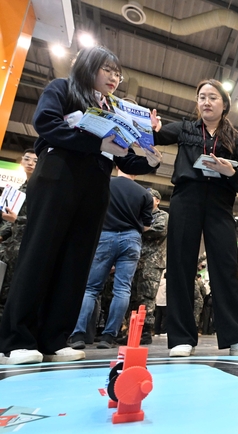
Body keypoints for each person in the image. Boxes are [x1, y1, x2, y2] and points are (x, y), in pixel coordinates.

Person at [0, 46, 161, 365]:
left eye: (118, 73)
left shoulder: (116, 110)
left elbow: (123, 155)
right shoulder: (63, 89)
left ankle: (54, 337)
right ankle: (17, 337)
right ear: (89, 67)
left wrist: (150, 158)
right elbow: (46, 123)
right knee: (41, 252)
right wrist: (95, 141)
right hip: (59, 173)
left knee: (76, 261)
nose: (114, 78)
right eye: (108, 70)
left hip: (96, 184)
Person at [151, 78, 238, 358]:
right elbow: (156, 137)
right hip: (186, 197)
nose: (206, 101)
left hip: (220, 202)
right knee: (180, 264)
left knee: (226, 266)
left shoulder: (235, 138)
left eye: (212, 97)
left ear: (224, 104)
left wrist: (229, 171)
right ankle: (180, 337)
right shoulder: (185, 128)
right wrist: (151, 129)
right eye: (201, 96)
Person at [68, 169, 154, 349]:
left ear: (118, 168)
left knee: (91, 288)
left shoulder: (105, 184)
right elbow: (147, 226)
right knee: (122, 289)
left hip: (105, 236)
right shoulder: (144, 194)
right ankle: (109, 337)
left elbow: (90, 213)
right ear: (135, 173)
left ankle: (78, 335)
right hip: (131, 239)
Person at [119, 187, 168, 345]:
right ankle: (132, 330)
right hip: (135, 260)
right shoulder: (138, 215)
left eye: (150, 197)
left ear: (157, 201)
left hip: (152, 262)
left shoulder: (162, 215)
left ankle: (145, 331)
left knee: (146, 297)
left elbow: (159, 230)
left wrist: (138, 227)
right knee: (133, 297)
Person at [0, 150, 37, 319]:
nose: (30, 163)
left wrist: (17, 220)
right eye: (27, 159)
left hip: (29, 243)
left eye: (34, 161)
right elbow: (8, 220)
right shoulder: (19, 189)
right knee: (5, 284)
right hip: (11, 245)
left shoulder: (41, 189)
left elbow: (41, 219)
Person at [154, 271, 167, 336]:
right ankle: (164, 331)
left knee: (158, 317)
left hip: (158, 301)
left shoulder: (159, 282)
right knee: (165, 316)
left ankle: (156, 331)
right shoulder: (167, 283)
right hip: (164, 302)